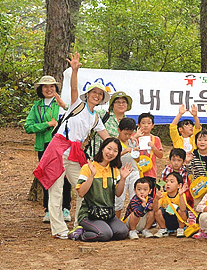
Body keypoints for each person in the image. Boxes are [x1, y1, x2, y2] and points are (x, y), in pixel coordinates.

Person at [34, 52, 111, 239]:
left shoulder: (96, 118)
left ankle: (79, 224)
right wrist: (75, 70)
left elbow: (108, 139)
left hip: (75, 154)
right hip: (58, 149)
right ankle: (59, 229)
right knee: (56, 190)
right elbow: (74, 87)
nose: (97, 96)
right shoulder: (78, 104)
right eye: (94, 93)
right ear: (89, 95)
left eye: (100, 95)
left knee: (84, 188)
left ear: (101, 99)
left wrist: (126, 145)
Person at [25, 75, 70, 223]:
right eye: (45, 86)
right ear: (41, 89)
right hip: (44, 146)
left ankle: (65, 208)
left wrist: (64, 106)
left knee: (64, 175)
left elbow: (73, 115)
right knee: (47, 176)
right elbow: (28, 127)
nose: (49, 89)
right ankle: (49, 210)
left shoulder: (61, 104)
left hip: (62, 144)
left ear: (56, 89)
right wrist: (47, 124)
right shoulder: (36, 106)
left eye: (52, 86)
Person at [69, 137, 131, 241]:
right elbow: (81, 193)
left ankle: (102, 228)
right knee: (104, 234)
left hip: (107, 214)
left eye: (115, 151)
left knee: (123, 232)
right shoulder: (88, 167)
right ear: (102, 148)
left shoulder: (114, 170)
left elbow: (118, 193)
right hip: (90, 214)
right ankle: (80, 233)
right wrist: (92, 176)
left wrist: (123, 179)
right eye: (109, 148)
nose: (111, 153)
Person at [91, 91, 133, 159]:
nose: (121, 104)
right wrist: (68, 106)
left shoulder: (128, 122)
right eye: (118, 102)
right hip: (97, 157)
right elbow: (87, 111)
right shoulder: (103, 114)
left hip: (116, 161)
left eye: (124, 102)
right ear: (112, 104)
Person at [115, 118, 140, 218]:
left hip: (133, 172)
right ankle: (116, 221)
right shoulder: (114, 143)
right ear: (119, 130)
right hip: (119, 173)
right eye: (125, 134)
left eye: (130, 134)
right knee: (118, 199)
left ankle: (132, 222)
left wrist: (136, 151)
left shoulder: (132, 142)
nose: (128, 136)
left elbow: (137, 160)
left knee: (135, 197)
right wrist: (124, 152)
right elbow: (112, 159)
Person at [153, 172, 189, 238]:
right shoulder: (163, 195)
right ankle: (163, 229)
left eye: (172, 182)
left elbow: (183, 209)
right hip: (167, 220)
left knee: (181, 211)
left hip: (178, 220)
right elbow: (155, 209)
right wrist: (156, 199)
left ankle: (180, 229)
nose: (168, 184)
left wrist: (181, 195)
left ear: (179, 185)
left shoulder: (181, 195)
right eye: (166, 182)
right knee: (158, 211)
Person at [136, 112, 164, 184]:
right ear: (138, 125)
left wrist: (154, 147)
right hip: (136, 171)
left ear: (152, 125)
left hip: (150, 172)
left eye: (149, 123)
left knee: (150, 193)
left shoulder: (156, 139)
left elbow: (160, 155)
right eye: (143, 123)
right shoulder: (134, 137)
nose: (146, 125)